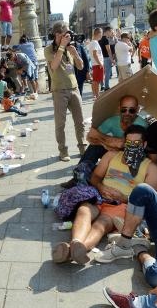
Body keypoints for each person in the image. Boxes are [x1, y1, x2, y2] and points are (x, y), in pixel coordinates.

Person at [52, 125, 157, 265]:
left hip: (123, 204)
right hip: (99, 196)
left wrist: (123, 198)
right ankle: (76, 243)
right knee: (84, 210)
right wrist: (101, 186)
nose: (132, 147)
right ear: (124, 143)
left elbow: (149, 201)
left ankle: (74, 251)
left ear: (144, 144)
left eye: (136, 143)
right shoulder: (111, 156)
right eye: (129, 143)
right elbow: (95, 177)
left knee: (102, 223)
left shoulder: (151, 169)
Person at [60, 94, 146, 189]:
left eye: (131, 110)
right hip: (114, 151)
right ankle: (78, 176)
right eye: (124, 110)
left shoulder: (141, 124)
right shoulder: (113, 121)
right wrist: (105, 143)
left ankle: (94, 176)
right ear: (119, 108)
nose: (127, 113)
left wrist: (104, 139)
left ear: (137, 110)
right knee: (94, 147)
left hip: (133, 154)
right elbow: (90, 136)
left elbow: (123, 143)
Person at [44, 21, 86, 162]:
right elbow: (54, 66)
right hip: (59, 90)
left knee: (80, 122)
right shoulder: (49, 49)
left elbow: (81, 67)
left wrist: (75, 54)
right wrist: (62, 47)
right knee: (60, 124)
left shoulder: (70, 48)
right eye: (65, 33)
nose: (69, 36)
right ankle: (63, 151)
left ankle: (83, 148)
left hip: (74, 89)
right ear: (57, 34)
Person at [87, 27, 105, 99]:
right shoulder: (94, 42)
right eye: (101, 33)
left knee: (95, 80)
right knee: (97, 81)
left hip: (96, 64)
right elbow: (95, 54)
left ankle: (95, 94)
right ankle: (97, 95)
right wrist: (100, 63)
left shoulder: (93, 42)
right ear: (99, 33)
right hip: (97, 64)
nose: (102, 35)